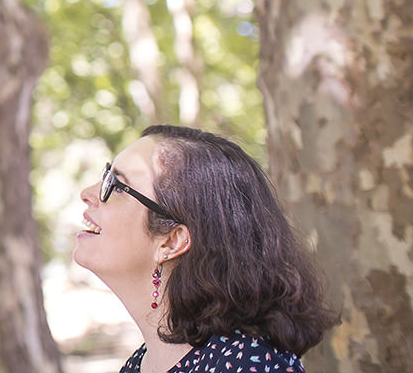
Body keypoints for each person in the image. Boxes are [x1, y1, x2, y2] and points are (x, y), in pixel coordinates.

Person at [75, 124, 338, 373]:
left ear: (172, 241)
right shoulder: (141, 362)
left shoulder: (247, 365)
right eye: (104, 177)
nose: (87, 193)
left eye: (116, 187)